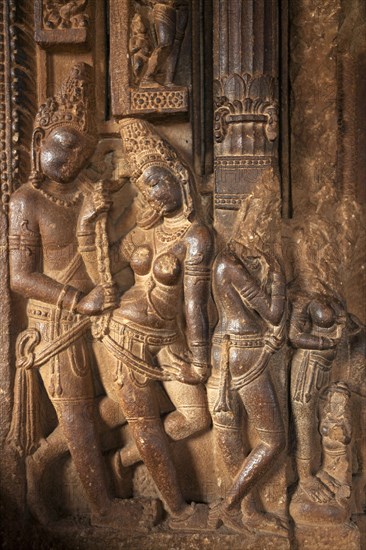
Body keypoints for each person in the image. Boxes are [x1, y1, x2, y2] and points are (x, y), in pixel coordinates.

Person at [7, 64, 156, 529]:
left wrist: (104, 222)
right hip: (56, 322)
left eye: (83, 151)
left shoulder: (87, 194)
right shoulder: (24, 202)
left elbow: (100, 256)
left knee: (108, 403)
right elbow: (19, 276)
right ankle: (103, 508)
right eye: (64, 145)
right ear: (39, 141)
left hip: (98, 318)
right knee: (77, 414)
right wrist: (76, 300)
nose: (72, 159)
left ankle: (40, 467)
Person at [77, 117, 213, 527]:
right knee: (144, 421)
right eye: (146, 187)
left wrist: (200, 361)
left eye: (157, 182)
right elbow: (103, 263)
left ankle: (118, 457)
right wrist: (91, 222)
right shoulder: (144, 226)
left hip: (168, 339)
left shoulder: (196, 236)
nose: (153, 193)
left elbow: (194, 307)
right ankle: (177, 510)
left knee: (195, 418)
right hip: (125, 336)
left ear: (179, 176)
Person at [206, 173, 288, 536]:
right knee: (273, 439)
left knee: (239, 435)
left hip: (229, 349)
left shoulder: (231, 261)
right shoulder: (231, 264)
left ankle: (249, 511)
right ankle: (227, 506)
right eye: (267, 218)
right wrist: (280, 278)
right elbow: (271, 313)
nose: (268, 227)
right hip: (242, 351)